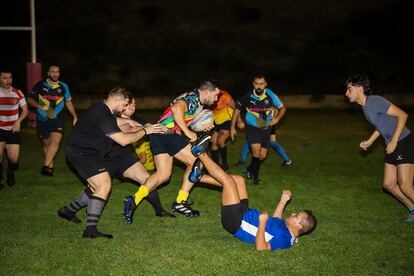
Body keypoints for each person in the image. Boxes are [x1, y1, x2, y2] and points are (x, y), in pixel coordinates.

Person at [58, 86, 168, 238]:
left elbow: (129, 122)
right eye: (125, 105)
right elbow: (123, 139)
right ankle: (90, 231)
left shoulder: (106, 111)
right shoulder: (101, 113)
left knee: (98, 186)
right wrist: (145, 131)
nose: (127, 108)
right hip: (81, 152)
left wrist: (149, 127)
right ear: (118, 101)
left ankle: (69, 212)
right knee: (102, 186)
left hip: (97, 152)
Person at [123, 80, 220, 224]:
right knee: (196, 163)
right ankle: (181, 201)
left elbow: (186, 119)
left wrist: (201, 126)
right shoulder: (192, 98)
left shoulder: (196, 102)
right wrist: (187, 132)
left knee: (163, 175)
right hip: (167, 135)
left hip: (159, 135)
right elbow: (176, 109)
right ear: (206, 91)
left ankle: (133, 200)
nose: (216, 99)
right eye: (215, 95)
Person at [192, 152, 316, 250]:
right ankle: (197, 177)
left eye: (296, 216)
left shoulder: (284, 240)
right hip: (244, 212)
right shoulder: (286, 228)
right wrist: (283, 201)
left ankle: (202, 153)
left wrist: (262, 223)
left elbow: (261, 248)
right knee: (239, 180)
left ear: (298, 225)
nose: (293, 213)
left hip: (236, 222)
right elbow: (276, 220)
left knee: (228, 182)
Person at [345, 75, 414, 223]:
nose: (346, 93)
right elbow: (380, 125)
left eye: (349, 89)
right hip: (392, 144)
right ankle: (412, 209)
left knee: (405, 186)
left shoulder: (375, 101)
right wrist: (370, 141)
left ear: (359, 89)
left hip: (403, 141)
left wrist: (395, 140)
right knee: (388, 184)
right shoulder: (365, 107)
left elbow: (402, 115)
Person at [119, 98, 174, 218]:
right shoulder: (113, 118)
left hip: (123, 158)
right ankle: (70, 210)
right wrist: (146, 130)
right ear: (120, 104)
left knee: (148, 180)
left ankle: (159, 210)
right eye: (129, 104)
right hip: (104, 157)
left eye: (134, 103)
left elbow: (151, 126)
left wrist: (168, 129)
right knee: (98, 189)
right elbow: (128, 130)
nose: (133, 106)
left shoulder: (136, 118)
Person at [231, 75, 286, 185]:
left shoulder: (270, 95)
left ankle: (250, 170)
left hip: (265, 128)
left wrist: (277, 119)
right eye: (257, 83)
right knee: (256, 151)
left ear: (265, 84)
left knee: (262, 156)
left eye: (261, 84)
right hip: (252, 127)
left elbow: (282, 108)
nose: (259, 86)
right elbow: (237, 109)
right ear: (253, 84)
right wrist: (233, 126)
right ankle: (255, 178)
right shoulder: (248, 96)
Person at [27, 65, 78, 176]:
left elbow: (68, 102)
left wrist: (74, 116)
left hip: (57, 118)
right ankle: (50, 167)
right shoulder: (40, 85)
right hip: (42, 118)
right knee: (47, 144)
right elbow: (29, 100)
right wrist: (39, 105)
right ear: (48, 73)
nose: (55, 74)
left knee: (56, 142)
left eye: (57, 72)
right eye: (53, 72)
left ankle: (45, 166)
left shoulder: (63, 86)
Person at [0, 71, 28, 188]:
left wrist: (18, 121)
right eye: (4, 78)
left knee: (14, 160)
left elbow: (25, 111)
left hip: (13, 130)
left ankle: (10, 172)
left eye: (10, 78)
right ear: (0, 79)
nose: (8, 80)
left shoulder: (18, 93)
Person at [210, 89, 239, 171]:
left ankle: (225, 163)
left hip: (227, 119)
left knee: (220, 140)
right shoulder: (207, 96)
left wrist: (239, 121)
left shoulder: (225, 96)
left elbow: (237, 108)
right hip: (215, 120)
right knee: (213, 142)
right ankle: (216, 167)